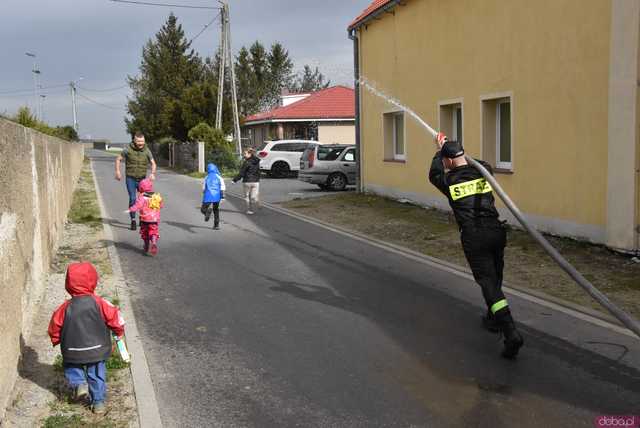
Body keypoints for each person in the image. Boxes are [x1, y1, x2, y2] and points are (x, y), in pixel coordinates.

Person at [428, 132, 524, 359]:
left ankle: (510, 332)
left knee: (488, 283)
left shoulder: (448, 180)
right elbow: (483, 163)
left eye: (445, 161)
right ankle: (493, 318)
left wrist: (438, 149)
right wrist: (458, 151)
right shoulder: (484, 172)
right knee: (496, 275)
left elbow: (433, 173)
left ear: (448, 161)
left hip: (474, 235)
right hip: (496, 231)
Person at [48, 262, 125, 414]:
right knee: (96, 373)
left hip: (72, 349)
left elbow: (54, 326)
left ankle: (79, 384)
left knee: (71, 366)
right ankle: (98, 403)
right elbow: (115, 317)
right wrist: (118, 331)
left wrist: (56, 339)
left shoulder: (65, 307)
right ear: (93, 281)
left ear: (68, 284)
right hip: (97, 349)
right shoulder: (100, 303)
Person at [115, 132, 157, 231]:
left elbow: (153, 163)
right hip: (131, 178)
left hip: (142, 179)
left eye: (142, 141)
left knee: (145, 200)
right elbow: (118, 159)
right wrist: (117, 171)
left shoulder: (147, 150)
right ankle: (133, 220)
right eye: (139, 141)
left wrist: (153, 173)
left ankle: (142, 218)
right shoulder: (127, 149)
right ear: (134, 140)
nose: (141, 143)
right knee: (133, 198)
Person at [127, 178, 163, 256]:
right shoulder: (156, 196)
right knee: (153, 232)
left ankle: (146, 246)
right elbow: (161, 205)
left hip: (145, 219)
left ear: (141, 188)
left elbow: (138, 205)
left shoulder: (142, 197)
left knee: (145, 233)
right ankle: (153, 242)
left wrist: (131, 209)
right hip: (154, 220)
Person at [232, 148, 261, 215]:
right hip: (256, 181)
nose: (244, 155)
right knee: (253, 196)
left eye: (245, 153)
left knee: (247, 197)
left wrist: (234, 180)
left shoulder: (246, 162)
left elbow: (242, 173)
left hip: (247, 181)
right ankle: (255, 200)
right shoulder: (257, 161)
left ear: (249, 154)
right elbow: (258, 170)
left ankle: (249, 210)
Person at [201, 163, 226, 230]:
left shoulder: (206, 177)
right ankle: (216, 225)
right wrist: (222, 196)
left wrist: (204, 192)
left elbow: (203, 188)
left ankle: (206, 212)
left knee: (203, 209)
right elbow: (223, 187)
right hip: (217, 195)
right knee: (216, 210)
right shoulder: (219, 177)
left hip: (208, 195)